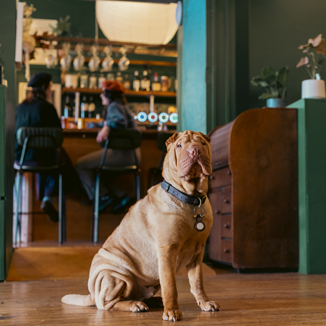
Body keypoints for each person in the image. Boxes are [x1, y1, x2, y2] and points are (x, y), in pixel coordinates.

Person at [15, 72, 82, 222]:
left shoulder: (20, 108)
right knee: (59, 159)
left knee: (56, 157)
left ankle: (48, 198)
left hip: (22, 159)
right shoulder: (48, 108)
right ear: (45, 88)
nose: (51, 90)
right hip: (45, 159)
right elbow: (58, 137)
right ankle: (54, 197)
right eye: (50, 87)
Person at [76, 80, 141, 214]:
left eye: (102, 93)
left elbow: (117, 121)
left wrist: (106, 128)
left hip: (123, 154)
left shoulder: (114, 106)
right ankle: (122, 196)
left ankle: (102, 197)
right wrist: (93, 126)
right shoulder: (120, 106)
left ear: (109, 95)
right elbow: (108, 122)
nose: (100, 96)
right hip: (133, 155)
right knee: (101, 174)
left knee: (81, 164)